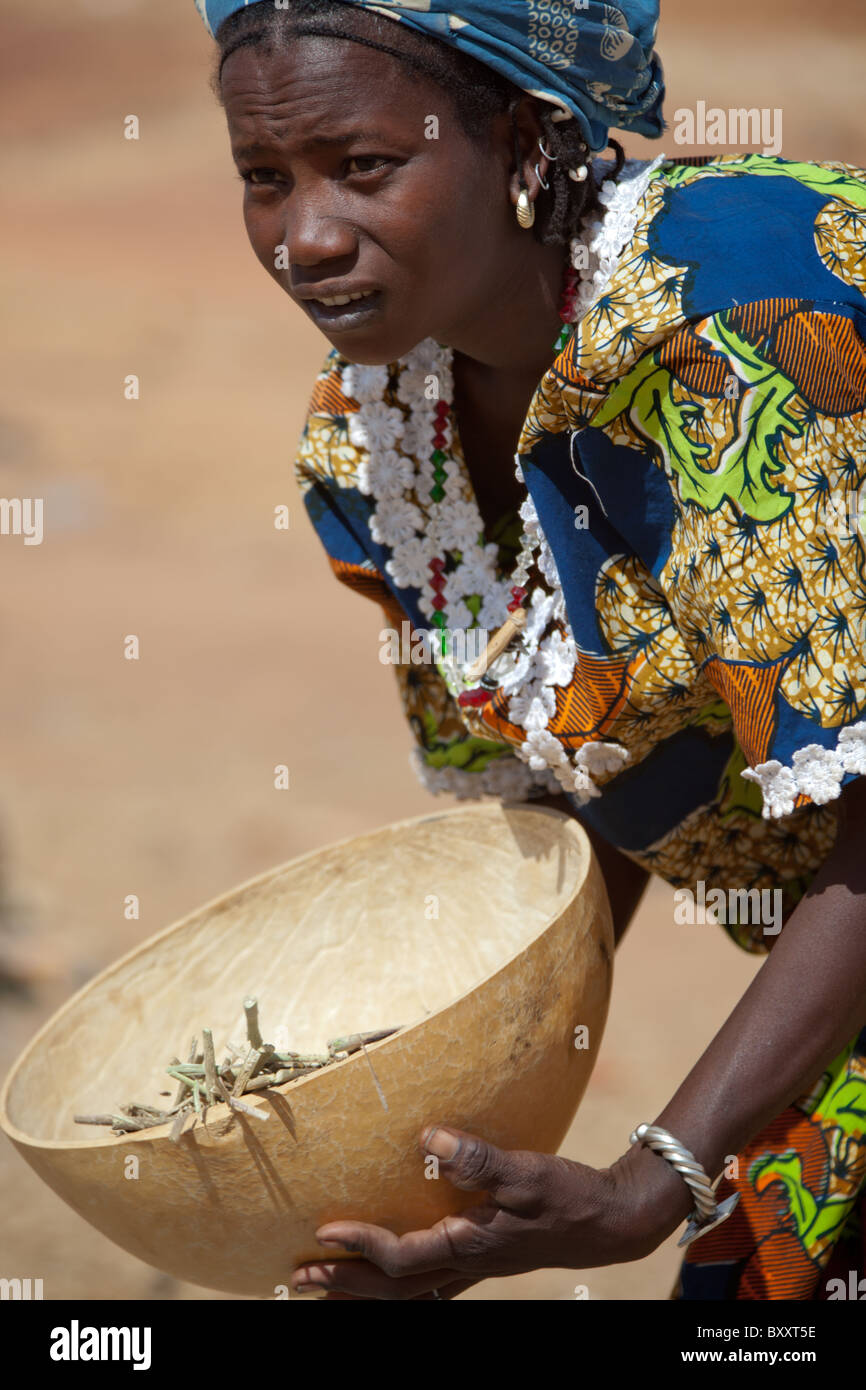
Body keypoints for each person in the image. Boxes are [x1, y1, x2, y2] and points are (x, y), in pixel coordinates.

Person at [195, 0, 866, 1300]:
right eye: (263, 179)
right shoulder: (374, 445)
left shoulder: (728, 325)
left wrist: (651, 1176)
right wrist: (440, 1156)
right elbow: (561, 820)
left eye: (364, 167)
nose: (305, 236)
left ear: (519, 143)